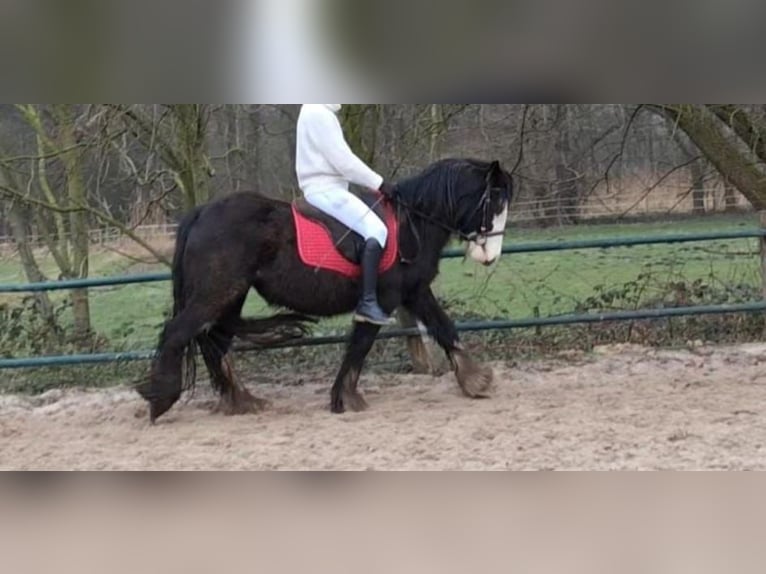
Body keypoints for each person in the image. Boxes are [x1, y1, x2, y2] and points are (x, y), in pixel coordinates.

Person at [296, 104, 396, 326]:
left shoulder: (311, 110)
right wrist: (379, 183)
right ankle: (367, 303)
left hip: (322, 187)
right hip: (327, 188)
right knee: (377, 230)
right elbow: (344, 162)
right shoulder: (320, 113)